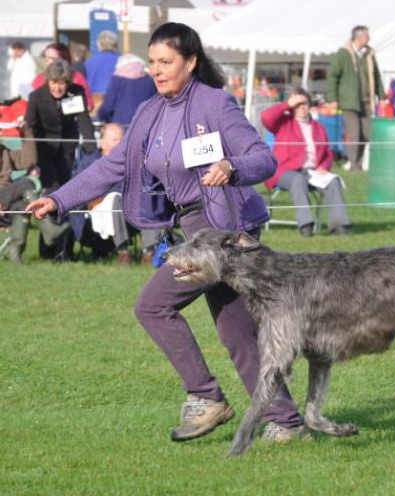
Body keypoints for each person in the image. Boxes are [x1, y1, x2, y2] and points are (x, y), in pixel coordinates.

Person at [27, 22, 308, 443]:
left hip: (225, 233)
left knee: (153, 306)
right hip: (194, 230)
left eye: (166, 62)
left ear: (190, 62)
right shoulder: (149, 112)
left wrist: (233, 167)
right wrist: (60, 199)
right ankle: (286, 423)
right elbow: (112, 166)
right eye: (152, 63)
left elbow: (262, 158)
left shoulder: (215, 104)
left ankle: (206, 397)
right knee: (237, 332)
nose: (157, 71)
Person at [262, 88, 351, 236]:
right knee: (297, 179)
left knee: (333, 181)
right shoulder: (283, 123)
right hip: (284, 171)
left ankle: (339, 226)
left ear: (310, 105)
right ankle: (306, 225)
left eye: (304, 103)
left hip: (312, 172)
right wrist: (287, 103)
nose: (301, 107)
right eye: (297, 104)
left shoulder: (319, 128)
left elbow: (328, 154)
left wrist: (323, 167)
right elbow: (266, 117)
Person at [70, 123, 160, 265]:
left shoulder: (132, 162)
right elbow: (79, 193)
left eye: (121, 140)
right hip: (98, 211)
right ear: (102, 143)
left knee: (146, 198)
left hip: (130, 211)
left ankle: (149, 252)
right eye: (115, 140)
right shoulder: (90, 163)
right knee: (114, 199)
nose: (120, 144)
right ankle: (123, 252)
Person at [26, 59, 96, 192]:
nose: (57, 88)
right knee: (52, 187)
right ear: (47, 81)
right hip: (44, 147)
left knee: (64, 185)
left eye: (61, 83)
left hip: (66, 146)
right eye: (53, 83)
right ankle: (51, 212)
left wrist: (92, 148)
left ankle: (62, 212)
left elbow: (83, 120)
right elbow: (29, 124)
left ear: (68, 82)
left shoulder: (76, 92)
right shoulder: (36, 97)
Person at [326, 25, 386, 172]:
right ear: (358, 37)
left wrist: (382, 96)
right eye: (366, 35)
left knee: (366, 133)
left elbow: (376, 76)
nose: (369, 38)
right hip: (349, 102)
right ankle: (354, 165)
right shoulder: (343, 54)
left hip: (366, 100)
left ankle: (359, 162)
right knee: (354, 134)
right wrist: (333, 99)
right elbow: (332, 76)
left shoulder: (369, 54)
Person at [97, 54, 157, 127]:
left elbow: (107, 106)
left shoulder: (116, 80)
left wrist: (102, 117)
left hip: (121, 127)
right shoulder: (149, 81)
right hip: (144, 126)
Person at [32, 43, 94, 110]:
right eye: (45, 57)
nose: (46, 60)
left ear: (64, 59)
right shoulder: (39, 78)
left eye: (51, 58)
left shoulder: (76, 77)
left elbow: (88, 104)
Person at [85, 30, 120, 99]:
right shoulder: (121, 62)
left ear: (99, 44)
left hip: (94, 102)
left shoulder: (88, 63)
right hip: (115, 101)